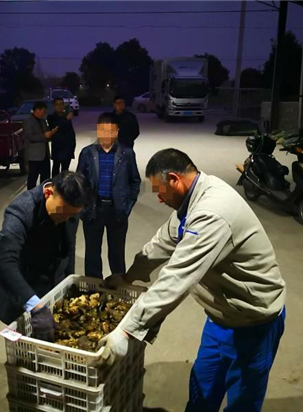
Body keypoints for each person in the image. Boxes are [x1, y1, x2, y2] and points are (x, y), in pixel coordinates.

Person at [101, 149, 286, 412]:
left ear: (175, 179)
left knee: (242, 401)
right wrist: (128, 278)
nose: (160, 199)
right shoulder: (190, 202)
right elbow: (161, 243)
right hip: (220, 316)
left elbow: (177, 277)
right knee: (203, 389)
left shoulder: (212, 212)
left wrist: (127, 329)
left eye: (160, 191)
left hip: (253, 320)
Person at [0, 171, 91, 341]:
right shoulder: (21, 210)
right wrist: (35, 305)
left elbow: (68, 249)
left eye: (72, 215)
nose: (65, 219)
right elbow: (3, 262)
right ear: (48, 193)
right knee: (26, 351)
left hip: (53, 290)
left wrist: (69, 284)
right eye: (61, 213)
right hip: (23, 293)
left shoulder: (70, 208)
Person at [76, 113, 141, 279]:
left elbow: (135, 182)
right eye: (103, 131)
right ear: (98, 131)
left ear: (117, 132)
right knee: (92, 253)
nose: (107, 135)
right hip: (93, 210)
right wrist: (83, 209)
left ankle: (118, 287)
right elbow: (79, 183)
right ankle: (93, 289)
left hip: (117, 211)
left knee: (117, 254)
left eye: (110, 131)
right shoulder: (87, 153)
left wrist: (126, 207)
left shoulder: (126, 154)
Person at [23, 101, 59, 189]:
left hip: (45, 154)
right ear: (37, 110)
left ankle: (43, 197)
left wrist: (50, 134)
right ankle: (31, 197)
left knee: (46, 179)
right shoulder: (28, 121)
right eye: (43, 111)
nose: (44, 113)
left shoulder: (43, 121)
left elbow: (46, 133)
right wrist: (44, 136)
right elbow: (30, 136)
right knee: (33, 178)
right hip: (34, 156)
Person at [47, 98, 76, 177]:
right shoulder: (51, 117)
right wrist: (66, 119)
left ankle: (64, 188)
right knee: (56, 170)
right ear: (54, 106)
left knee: (65, 172)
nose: (60, 106)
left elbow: (70, 132)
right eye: (57, 104)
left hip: (68, 148)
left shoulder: (66, 116)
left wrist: (73, 146)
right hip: (58, 149)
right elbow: (57, 127)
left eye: (61, 104)